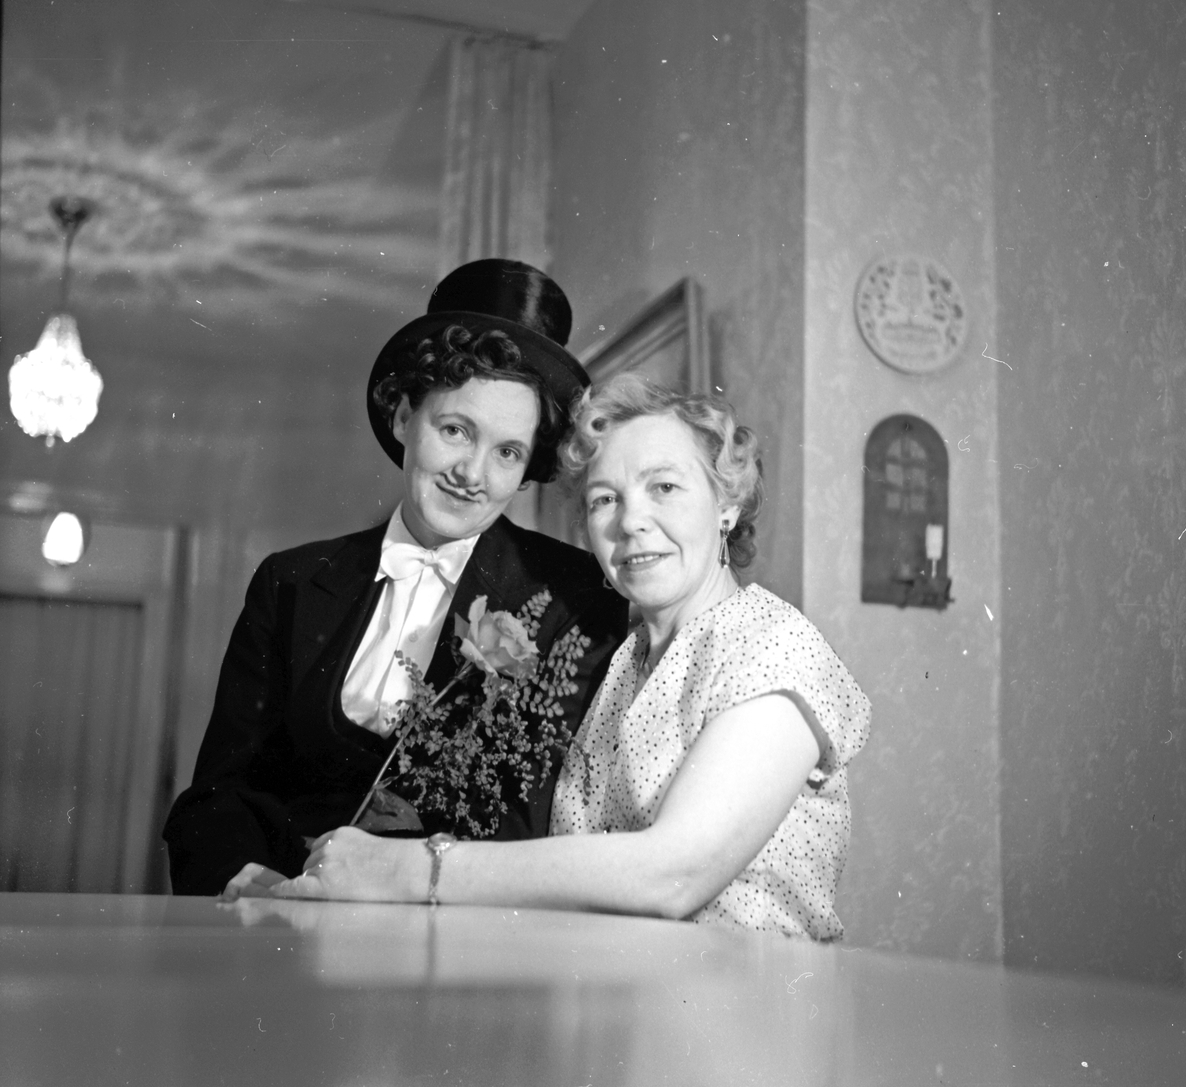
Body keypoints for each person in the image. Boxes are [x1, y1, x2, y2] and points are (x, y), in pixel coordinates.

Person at [233, 374, 871, 941]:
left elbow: (674, 874)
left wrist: (408, 870)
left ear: (727, 506)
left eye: (665, 487)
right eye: (604, 499)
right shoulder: (621, 662)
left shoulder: (770, 644)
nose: (631, 522)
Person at [164, 260, 629, 896]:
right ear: (404, 417)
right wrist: (255, 888)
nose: (472, 473)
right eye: (455, 430)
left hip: (457, 940)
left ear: (527, 470)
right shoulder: (291, 582)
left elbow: (537, 822)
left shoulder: (573, 596)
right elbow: (217, 798)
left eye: (507, 452)